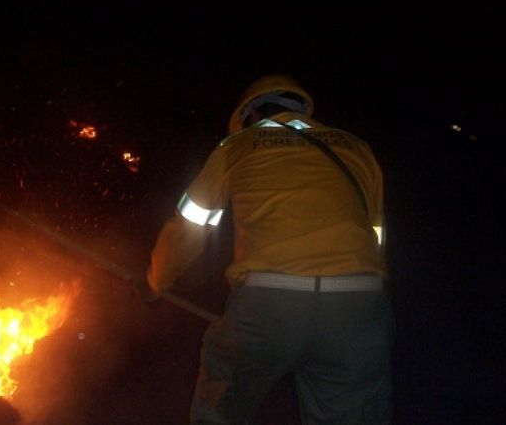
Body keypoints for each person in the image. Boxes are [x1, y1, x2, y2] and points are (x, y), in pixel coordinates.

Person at [136, 74, 393, 424]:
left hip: (269, 307)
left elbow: (189, 229)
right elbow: (375, 237)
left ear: (250, 115)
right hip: (359, 308)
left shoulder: (239, 145)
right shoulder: (356, 148)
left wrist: (155, 282)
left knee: (221, 407)